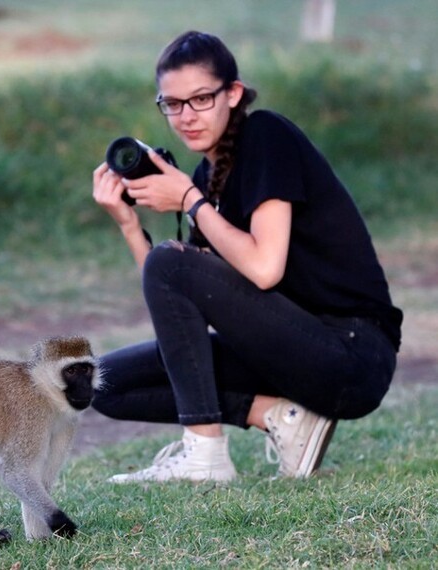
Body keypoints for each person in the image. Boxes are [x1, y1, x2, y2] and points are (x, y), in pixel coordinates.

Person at [91, 30, 403, 483]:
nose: (186, 117)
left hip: (350, 355)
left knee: (171, 261)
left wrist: (189, 200)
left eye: (200, 99)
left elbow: (263, 267)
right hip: (288, 355)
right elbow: (175, 305)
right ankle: (279, 418)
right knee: (104, 383)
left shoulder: (266, 136)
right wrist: (127, 223)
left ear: (233, 94)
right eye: (172, 104)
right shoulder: (206, 176)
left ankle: (205, 456)